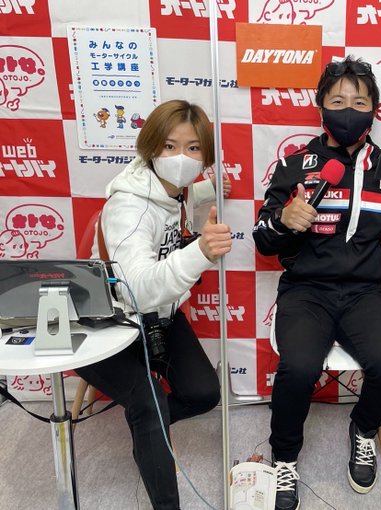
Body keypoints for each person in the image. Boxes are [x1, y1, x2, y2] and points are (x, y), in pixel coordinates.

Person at [253, 55, 381, 510]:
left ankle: (362, 430)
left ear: (375, 111)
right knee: (299, 368)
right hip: (306, 291)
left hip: (364, 293)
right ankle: (285, 458)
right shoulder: (294, 165)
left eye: (359, 103)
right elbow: (263, 241)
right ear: (321, 105)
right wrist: (284, 220)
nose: (348, 110)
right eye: (337, 101)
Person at [75, 99, 233, 510]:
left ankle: (149, 427)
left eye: (193, 148)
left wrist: (210, 189)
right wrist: (200, 252)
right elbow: (138, 291)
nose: (181, 158)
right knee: (149, 403)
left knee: (204, 394)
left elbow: (184, 196)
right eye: (169, 146)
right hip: (107, 323)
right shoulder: (129, 208)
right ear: (150, 148)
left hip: (158, 318)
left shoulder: (173, 191)